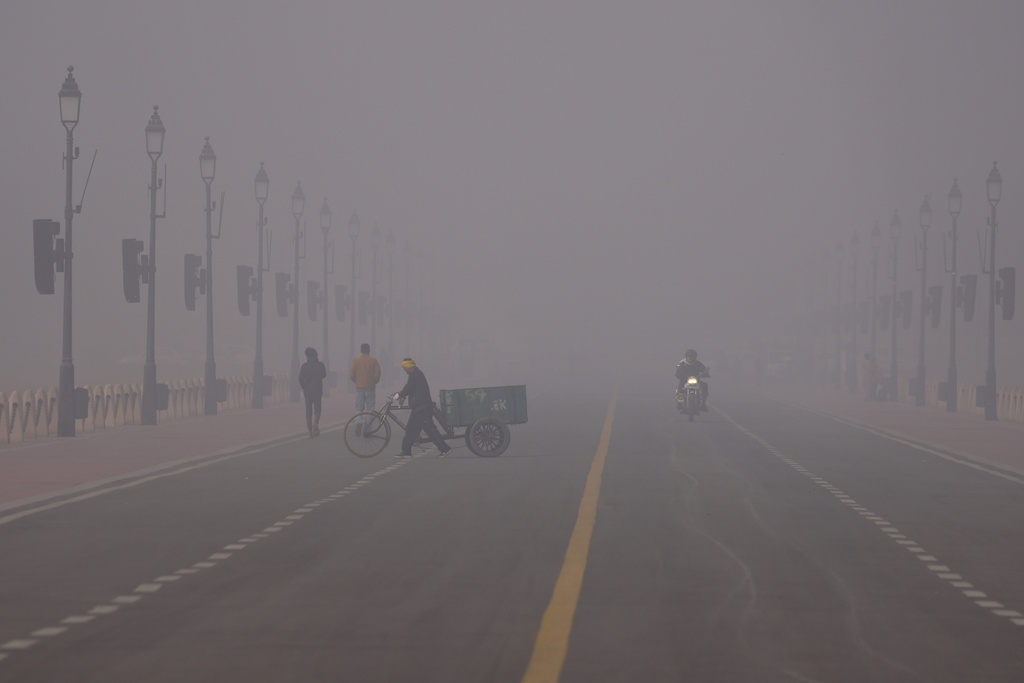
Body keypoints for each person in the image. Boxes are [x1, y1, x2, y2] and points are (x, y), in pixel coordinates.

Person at [393, 358, 452, 457]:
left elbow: (409, 387)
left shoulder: (416, 374)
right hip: (417, 408)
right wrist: (401, 393)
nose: (405, 371)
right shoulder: (415, 374)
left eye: (406, 368)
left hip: (423, 407)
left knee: (430, 430)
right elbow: (410, 387)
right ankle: (406, 451)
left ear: (410, 367)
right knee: (410, 430)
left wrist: (400, 394)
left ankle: (445, 449)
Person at [349, 343, 382, 436]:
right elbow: (378, 374)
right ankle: (367, 429)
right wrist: (374, 381)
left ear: (361, 350)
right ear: (369, 350)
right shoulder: (373, 361)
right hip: (370, 387)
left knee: (359, 408)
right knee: (370, 409)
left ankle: (358, 421)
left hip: (359, 387)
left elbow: (351, 375)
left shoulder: (356, 361)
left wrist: (357, 381)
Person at [298, 347, 327, 437]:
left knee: (308, 412)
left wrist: (304, 387)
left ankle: (309, 432)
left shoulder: (304, 366)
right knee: (317, 410)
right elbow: (324, 375)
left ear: (307, 356)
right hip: (317, 391)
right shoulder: (321, 365)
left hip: (308, 392)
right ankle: (316, 422)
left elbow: (300, 378)